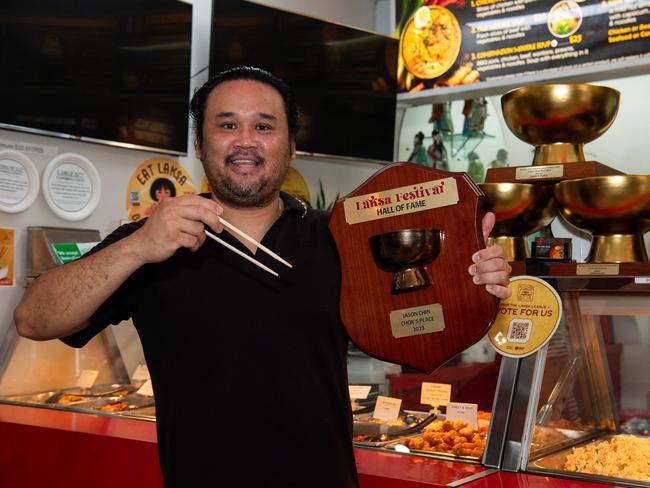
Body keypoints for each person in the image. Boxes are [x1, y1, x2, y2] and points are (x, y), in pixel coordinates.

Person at [14, 66, 511, 487]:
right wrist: (140, 246)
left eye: (264, 126)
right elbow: (34, 318)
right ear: (201, 144)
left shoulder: (339, 236)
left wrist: (470, 282)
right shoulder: (154, 240)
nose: (245, 141)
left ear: (291, 145)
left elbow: (418, 325)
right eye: (227, 125)